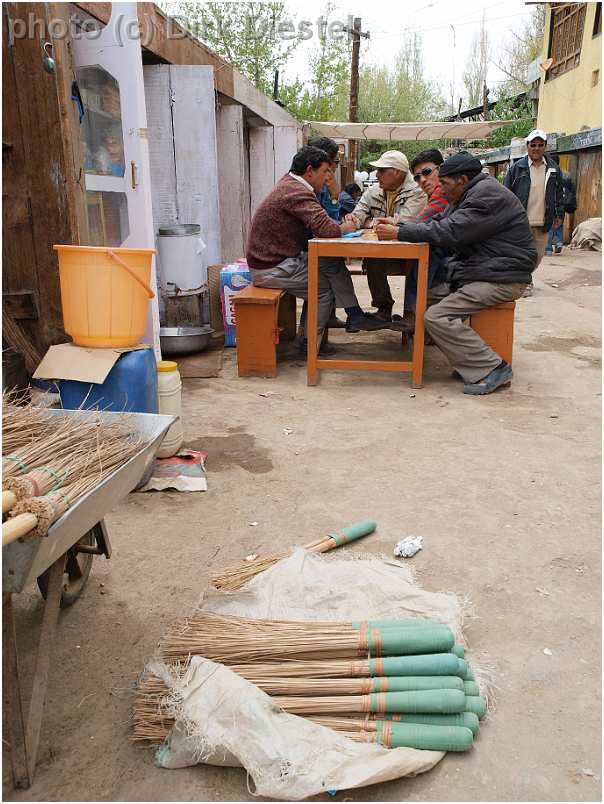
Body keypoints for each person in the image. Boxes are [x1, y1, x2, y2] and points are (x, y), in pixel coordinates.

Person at [375, 152, 537, 395]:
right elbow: (439, 221)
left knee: (436, 317)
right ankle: (469, 361)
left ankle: (492, 368)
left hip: (504, 276)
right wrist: (400, 227)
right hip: (486, 270)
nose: (440, 187)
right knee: (424, 300)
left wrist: (399, 234)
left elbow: (449, 231)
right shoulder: (467, 193)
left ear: (462, 180)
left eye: (445, 183)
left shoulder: (485, 196)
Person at [246, 146, 388, 356]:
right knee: (323, 290)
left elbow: (323, 225)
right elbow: (328, 229)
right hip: (271, 268)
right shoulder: (297, 192)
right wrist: (347, 227)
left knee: (331, 261)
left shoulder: (292, 185)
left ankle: (354, 314)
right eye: (326, 172)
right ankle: (310, 345)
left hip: (281, 260)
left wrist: (337, 220)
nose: (328, 177)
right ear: (310, 171)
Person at [347, 150, 426, 321]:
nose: (377, 174)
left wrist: (371, 221)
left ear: (397, 172)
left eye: (382, 170)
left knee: (419, 265)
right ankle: (383, 307)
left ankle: (411, 314)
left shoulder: (418, 191)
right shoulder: (373, 191)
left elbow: (406, 221)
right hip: (383, 253)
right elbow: (356, 217)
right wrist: (370, 221)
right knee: (372, 258)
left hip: (409, 256)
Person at [387, 148, 449, 332]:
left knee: (426, 256)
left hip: (470, 257)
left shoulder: (444, 190)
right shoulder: (432, 192)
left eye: (427, 173)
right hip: (460, 248)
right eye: (417, 177)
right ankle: (409, 315)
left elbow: (420, 222)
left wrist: (395, 227)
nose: (422, 180)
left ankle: (412, 316)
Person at [503, 129, 564, 296]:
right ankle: (525, 281)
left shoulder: (553, 168)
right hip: (521, 220)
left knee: (537, 255)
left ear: (545, 147)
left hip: (543, 219)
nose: (536, 148)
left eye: (540, 145)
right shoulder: (517, 168)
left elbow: (559, 192)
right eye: (533, 145)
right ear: (527, 146)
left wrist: (559, 214)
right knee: (522, 254)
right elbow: (506, 193)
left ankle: (523, 277)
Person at [546, 159, 577, 254]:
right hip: (562, 203)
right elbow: (572, 190)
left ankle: (548, 248)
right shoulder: (566, 174)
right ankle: (559, 242)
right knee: (559, 222)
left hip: (551, 202)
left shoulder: (549, 172)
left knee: (550, 224)